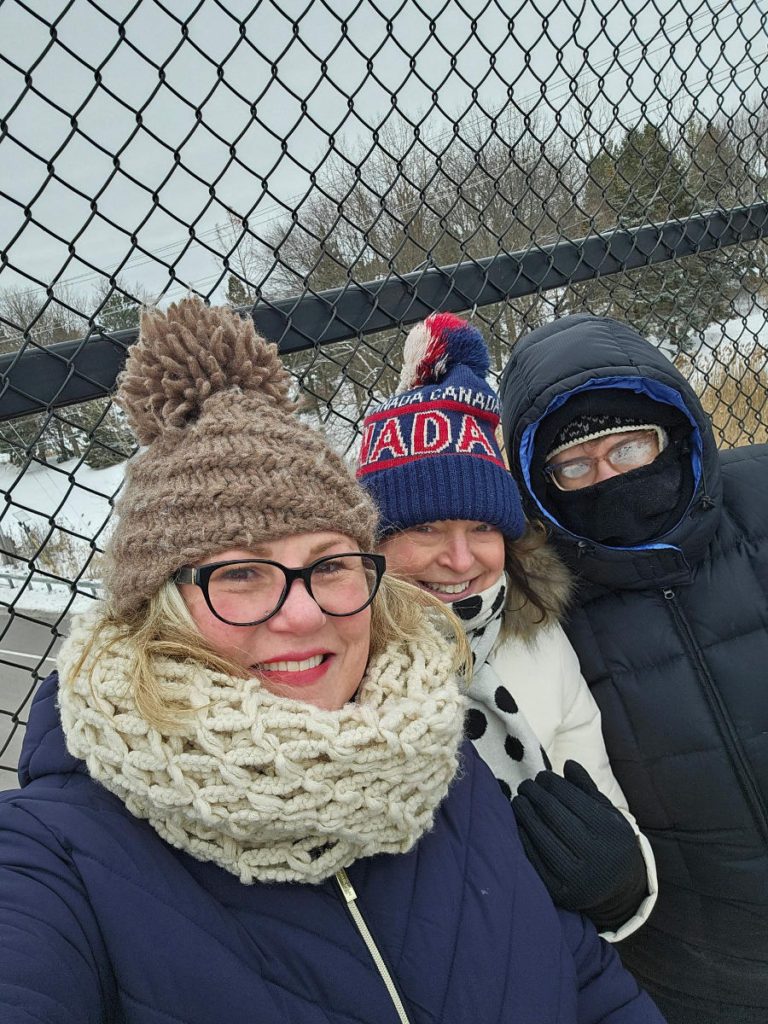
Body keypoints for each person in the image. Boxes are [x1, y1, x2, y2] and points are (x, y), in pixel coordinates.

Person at [0, 298, 665, 1024]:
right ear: (157, 608)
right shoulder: (57, 858)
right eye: (241, 575)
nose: (305, 613)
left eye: (327, 565)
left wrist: (621, 883)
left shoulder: (432, 746)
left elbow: (594, 988)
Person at [498, 311, 768, 1024]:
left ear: (674, 435)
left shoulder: (763, 497)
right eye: (574, 467)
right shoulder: (533, 611)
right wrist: (608, 889)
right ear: (539, 482)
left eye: (631, 449)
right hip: (704, 979)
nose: (607, 478)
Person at [356, 311, 657, 941]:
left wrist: (622, 885)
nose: (462, 562)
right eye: (425, 528)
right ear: (372, 543)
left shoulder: (537, 636)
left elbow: (600, 794)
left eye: (483, 528)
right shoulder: (341, 666)